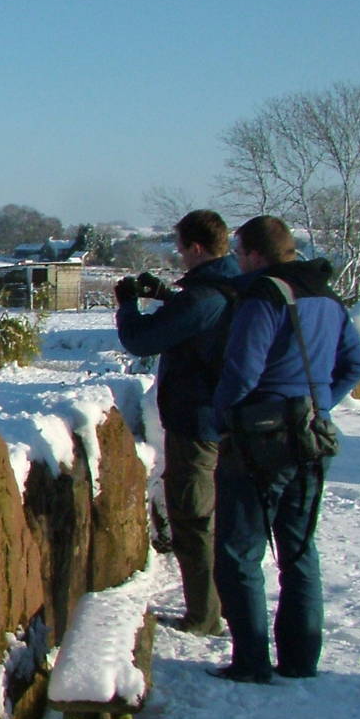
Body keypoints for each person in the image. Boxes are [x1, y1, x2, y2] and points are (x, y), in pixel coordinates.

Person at [208, 216, 360, 683]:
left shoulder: (266, 296)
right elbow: (356, 363)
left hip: (262, 437)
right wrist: (318, 402)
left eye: (240, 254)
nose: (238, 261)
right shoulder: (327, 297)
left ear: (255, 254)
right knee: (298, 549)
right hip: (314, 435)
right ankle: (301, 660)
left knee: (240, 551)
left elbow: (242, 373)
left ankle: (252, 661)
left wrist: (227, 420)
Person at [115, 210, 238, 636]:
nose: (179, 254)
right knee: (219, 515)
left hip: (197, 419)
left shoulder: (203, 296)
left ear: (196, 247)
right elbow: (204, 317)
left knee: (193, 517)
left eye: (181, 247)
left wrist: (127, 304)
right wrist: (168, 296)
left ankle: (204, 615)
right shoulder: (234, 283)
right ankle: (224, 605)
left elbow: (142, 339)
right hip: (230, 418)